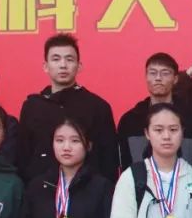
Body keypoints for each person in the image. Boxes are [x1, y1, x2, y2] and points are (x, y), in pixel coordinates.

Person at [16, 34, 118, 183]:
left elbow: (109, 161)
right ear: (45, 66)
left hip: (86, 190)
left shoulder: (97, 107)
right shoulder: (32, 106)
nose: (63, 65)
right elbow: (22, 156)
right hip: (41, 190)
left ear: (79, 66)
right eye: (56, 59)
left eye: (69, 59)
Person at [116, 53, 192, 171]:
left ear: (175, 79)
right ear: (146, 77)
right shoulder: (129, 121)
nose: (158, 78)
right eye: (153, 73)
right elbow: (125, 165)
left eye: (165, 73)